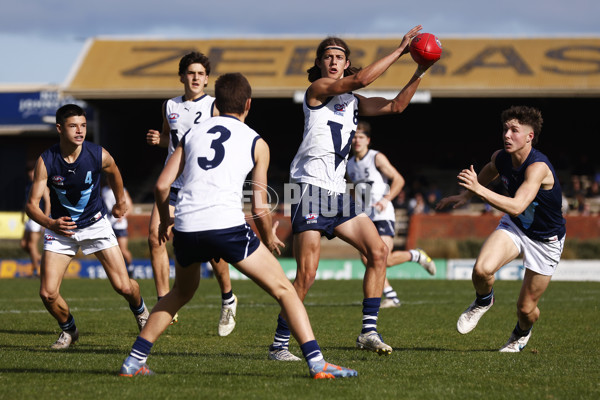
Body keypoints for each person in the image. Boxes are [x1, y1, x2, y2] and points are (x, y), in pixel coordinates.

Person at [120, 72, 357, 379]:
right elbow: (259, 206)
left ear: (216, 103)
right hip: (226, 227)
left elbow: (162, 187)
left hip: (187, 227)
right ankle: (317, 363)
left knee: (179, 293)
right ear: (248, 104)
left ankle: (134, 361)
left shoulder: (193, 132)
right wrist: (269, 235)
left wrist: (166, 220)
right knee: (285, 289)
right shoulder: (256, 142)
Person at [268, 25, 438, 361]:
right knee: (307, 275)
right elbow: (361, 80)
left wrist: (420, 69)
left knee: (377, 251)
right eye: (328, 57)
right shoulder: (317, 90)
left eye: (339, 57)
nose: (333, 61)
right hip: (310, 188)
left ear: (346, 62)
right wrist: (401, 49)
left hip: (337, 191)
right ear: (320, 65)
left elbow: (396, 107)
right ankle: (278, 346)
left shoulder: (354, 103)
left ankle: (368, 331)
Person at [436, 106, 566, 352]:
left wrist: (478, 190)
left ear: (530, 136)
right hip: (516, 227)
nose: (507, 135)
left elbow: (517, 206)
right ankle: (484, 300)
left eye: (514, 130)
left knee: (526, 310)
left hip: (545, 240)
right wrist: (465, 195)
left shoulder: (537, 167)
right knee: (481, 270)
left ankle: (521, 333)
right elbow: (490, 169)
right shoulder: (501, 157)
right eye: (505, 129)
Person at [26, 104, 149, 350]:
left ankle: (142, 311)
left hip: (96, 225)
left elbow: (114, 171)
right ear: (60, 128)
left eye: (83, 125)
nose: (80, 131)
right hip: (61, 230)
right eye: (73, 126)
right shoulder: (46, 160)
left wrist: (121, 200)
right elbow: (32, 205)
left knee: (124, 286)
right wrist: (51, 223)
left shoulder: (97, 154)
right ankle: (69, 330)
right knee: (48, 293)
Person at [146, 51, 238, 334]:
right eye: (190, 73)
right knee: (155, 235)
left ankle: (228, 298)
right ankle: (164, 302)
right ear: (182, 77)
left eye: (200, 73)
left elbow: (227, 140)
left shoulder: (214, 106)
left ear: (207, 79)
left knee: (212, 249)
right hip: (173, 184)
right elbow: (171, 140)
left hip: (202, 185)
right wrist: (159, 139)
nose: (195, 77)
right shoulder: (169, 106)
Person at [346, 121, 436, 308]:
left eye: (361, 137)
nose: (357, 140)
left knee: (382, 259)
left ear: (368, 140)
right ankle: (392, 297)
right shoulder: (349, 165)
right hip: (366, 216)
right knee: (366, 258)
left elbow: (399, 180)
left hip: (383, 214)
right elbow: (352, 190)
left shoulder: (376, 158)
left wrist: (385, 199)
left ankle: (416, 256)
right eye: (354, 136)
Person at [21, 164, 50, 277]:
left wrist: (45, 220)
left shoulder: (42, 185)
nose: (30, 174)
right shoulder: (28, 185)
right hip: (29, 219)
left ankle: (36, 271)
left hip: (38, 218)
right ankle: (43, 260)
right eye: (29, 172)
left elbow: (48, 203)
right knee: (24, 245)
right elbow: (27, 202)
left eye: (32, 171)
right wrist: (23, 214)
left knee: (32, 245)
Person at [101, 181, 134, 277]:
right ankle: (114, 271)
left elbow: (130, 206)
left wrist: (122, 217)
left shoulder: (122, 190)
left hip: (120, 225)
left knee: (123, 250)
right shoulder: (104, 190)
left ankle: (130, 267)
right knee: (109, 249)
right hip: (108, 224)